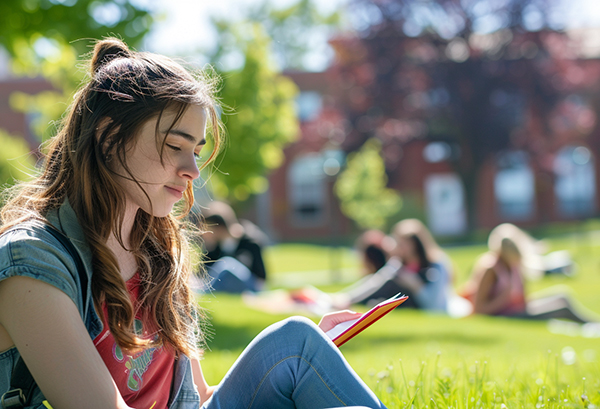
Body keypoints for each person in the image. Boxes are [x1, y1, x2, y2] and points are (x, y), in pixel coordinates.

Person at [0, 38, 386, 409]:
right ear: (109, 136)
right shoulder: (33, 260)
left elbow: (197, 397)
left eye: (197, 151)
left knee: (297, 342)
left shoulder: (157, 250)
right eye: (175, 147)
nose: (192, 170)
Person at [462, 233, 598, 323]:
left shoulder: (514, 266)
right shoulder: (491, 269)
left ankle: (593, 322)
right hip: (506, 315)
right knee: (561, 309)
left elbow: (523, 298)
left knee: (562, 296)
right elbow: (479, 310)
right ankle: (592, 324)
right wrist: (502, 299)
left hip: (518, 308)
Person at [337, 219, 450, 311]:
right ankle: (343, 300)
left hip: (424, 306)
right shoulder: (398, 264)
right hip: (405, 305)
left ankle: (344, 302)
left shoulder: (436, 265)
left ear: (415, 245)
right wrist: (347, 296)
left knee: (390, 283)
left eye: (402, 244)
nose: (397, 247)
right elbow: (375, 282)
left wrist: (415, 285)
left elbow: (434, 306)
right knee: (386, 282)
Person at [199, 201, 267, 293]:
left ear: (219, 228)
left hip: (252, 286)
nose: (205, 233)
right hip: (226, 285)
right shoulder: (216, 246)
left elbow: (261, 276)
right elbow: (203, 273)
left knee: (227, 265)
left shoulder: (249, 241)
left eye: (208, 229)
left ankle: (203, 293)